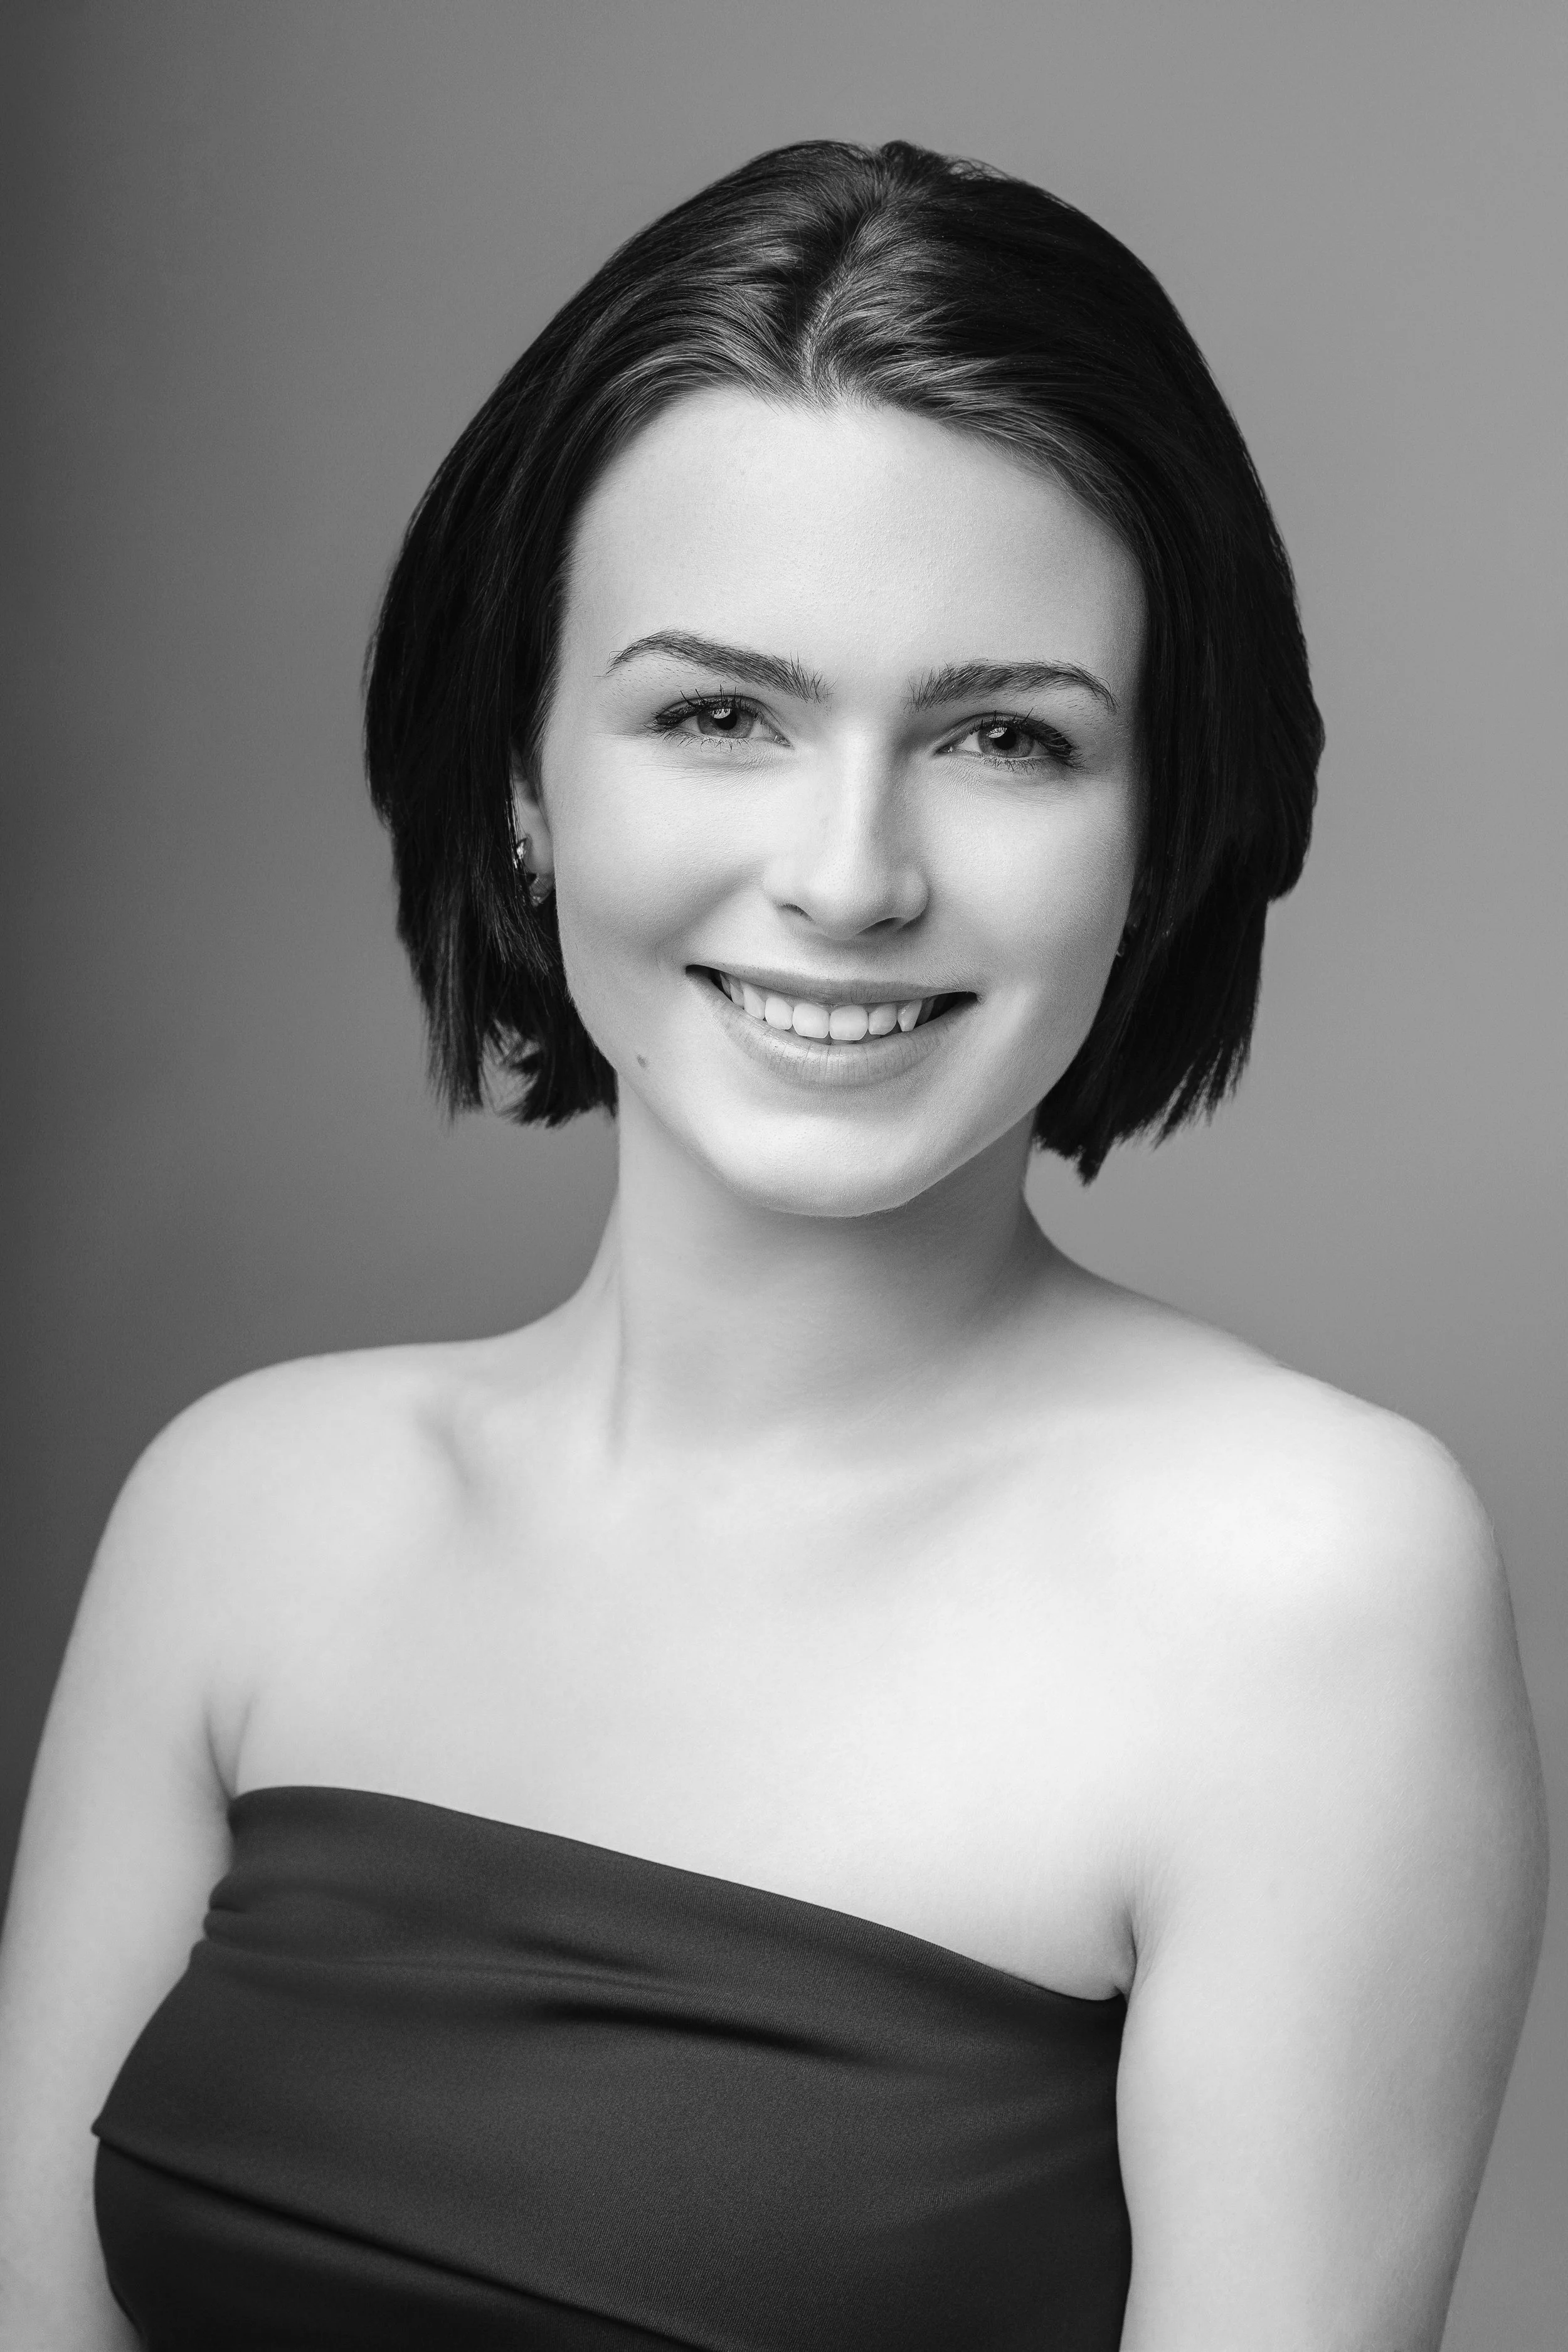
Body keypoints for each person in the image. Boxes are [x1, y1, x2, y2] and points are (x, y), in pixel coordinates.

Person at [0, 138, 1546, 2352]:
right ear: (525, 777)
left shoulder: (1308, 1585)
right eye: (717, 713)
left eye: (1005, 736)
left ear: (1167, 816)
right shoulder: (240, 1512)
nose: (849, 874)